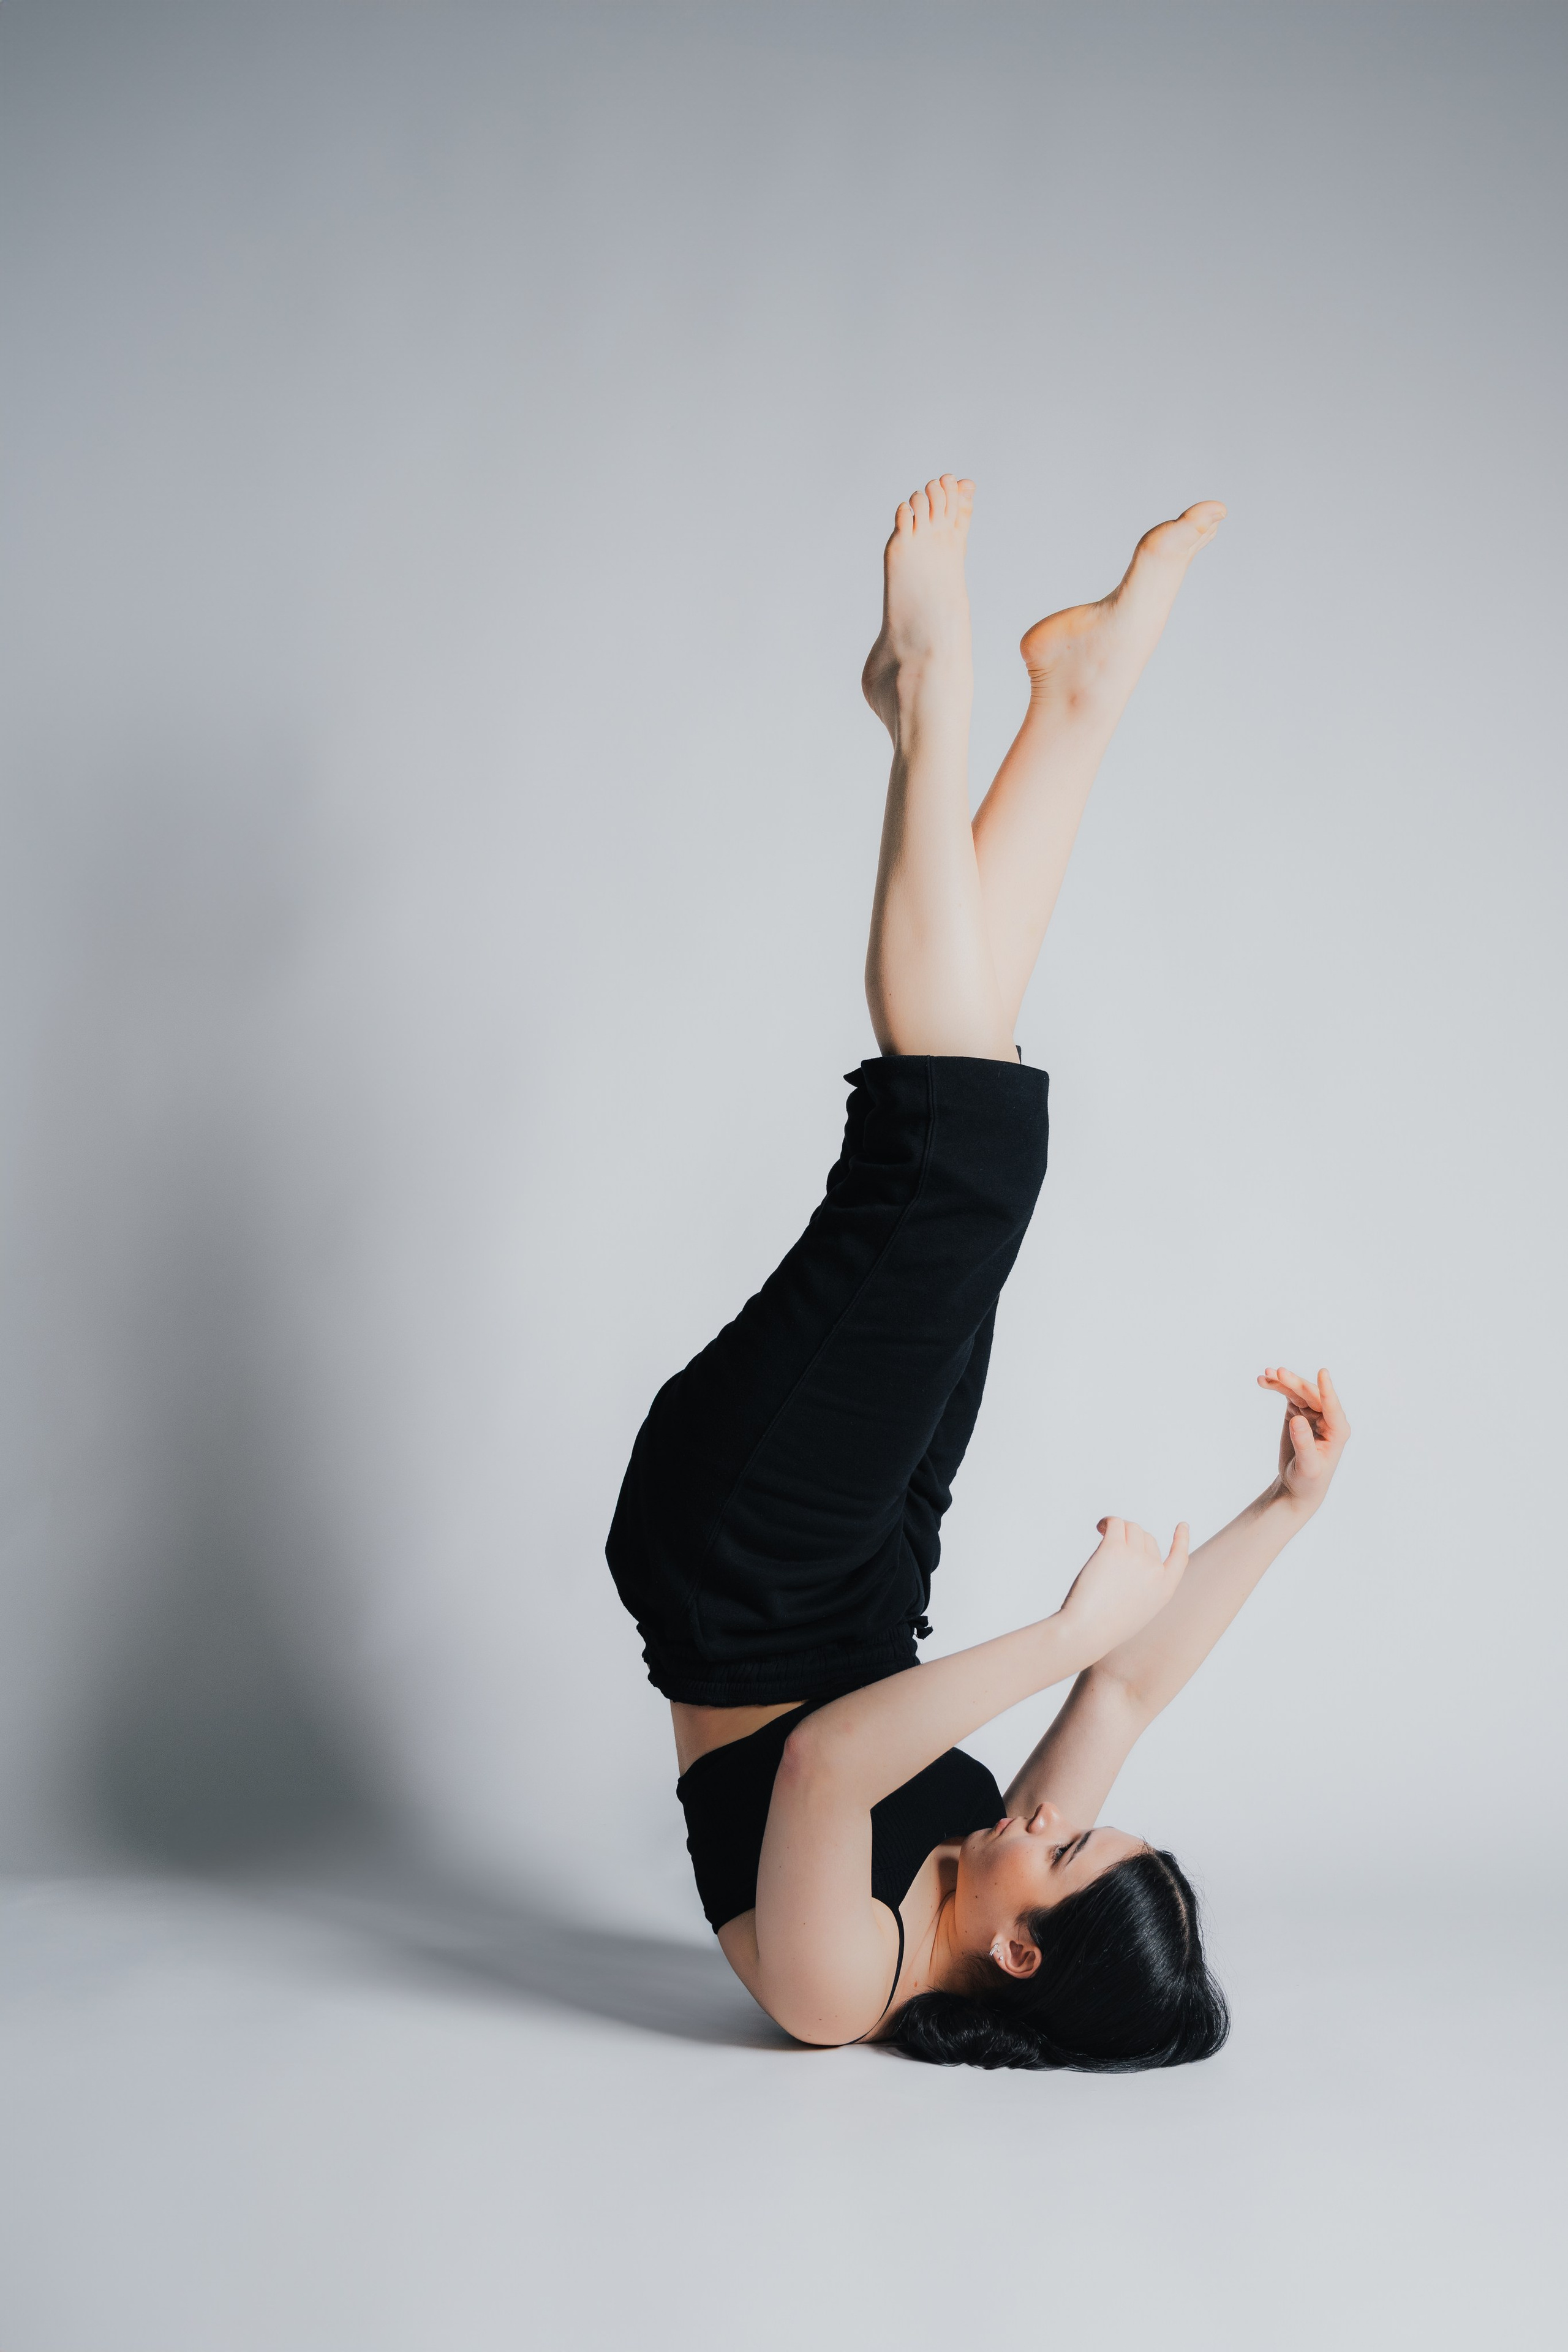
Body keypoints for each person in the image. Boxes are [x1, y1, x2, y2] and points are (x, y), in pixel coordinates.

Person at [606, 478, 1351, 2068]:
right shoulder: (997, 1873)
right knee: (983, 1149)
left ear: (1015, 1946)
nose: (1058, 1816)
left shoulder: (837, 1984)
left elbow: (824, 1770)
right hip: (871, 1571)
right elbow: (1133, 1695)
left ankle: (931, 706)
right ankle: (1069, 701)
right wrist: (1281, 1516)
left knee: (953, 1169)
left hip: (736, 1563)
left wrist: (1057, 1637)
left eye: (1074, 1847)